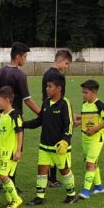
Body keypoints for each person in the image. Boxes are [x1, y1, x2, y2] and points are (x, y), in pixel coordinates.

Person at [25, 73, 78, 204]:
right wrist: (22, 124)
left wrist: (65, 141)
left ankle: (72, 195)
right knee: (41, 170)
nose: (47, 89)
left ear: (59, 88)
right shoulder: (46, 102)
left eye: (50, 86)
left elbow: (69, 124)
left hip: (59, 147)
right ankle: (39, 197)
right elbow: (39, 121)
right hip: (44, 146)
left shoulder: (65, 104)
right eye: (46, 86)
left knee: (64, 170)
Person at [42, 49, 73, 187]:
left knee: (50, 145)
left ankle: (51, 178)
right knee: (56, 144)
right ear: (60, 60)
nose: (66, 67)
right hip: (55, 112)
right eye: (66, 63)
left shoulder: (47, 73)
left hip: (49, 110)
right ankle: (52, 179)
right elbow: (59, 98)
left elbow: (45, 96)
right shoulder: (57, 76)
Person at [0, 86, 24, 208]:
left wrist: (18, 151)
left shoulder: (15, 116)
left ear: (7, 100)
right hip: (2, 152)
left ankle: (16, 199)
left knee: (3, 175)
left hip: (10, 152)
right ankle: (10, 200)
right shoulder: (2, 115)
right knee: (2, 177)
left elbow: (20, 133)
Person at [77, 79, 104, 199]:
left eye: (85, 92)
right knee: (92, 163)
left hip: (96, 139)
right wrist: (78, 122)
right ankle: (99, 187)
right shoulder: (84, 104)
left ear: (94, 92)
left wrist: (95, 129)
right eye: (83, 92)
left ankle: (85, 191)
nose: (83, 95)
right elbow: (87, 118)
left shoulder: (99, 105)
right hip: (85, 139)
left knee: (90, 164)